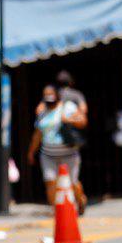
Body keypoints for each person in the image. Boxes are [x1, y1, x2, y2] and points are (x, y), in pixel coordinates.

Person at [26, 84, 84, 207]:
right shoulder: (42, 112)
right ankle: (56, 211)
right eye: (46, 94)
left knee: (73, 183)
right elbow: (37, 134)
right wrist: (31, 151)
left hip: (69, 154)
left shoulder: (67, 107)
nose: (49, 97)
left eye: (51, 94)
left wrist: (69, 120)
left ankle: (80, 201)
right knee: (50, 182)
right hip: (48, 155)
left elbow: (83, 121)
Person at [55, 70, 88, 211]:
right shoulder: (76, 95)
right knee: (73, 177)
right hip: (72, 141)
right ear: (71, 82)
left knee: (59, 177)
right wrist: (73, 119)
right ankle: (80, 200)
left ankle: (69, 203)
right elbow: (84, 111)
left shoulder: (54, 95)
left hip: (55, 141)